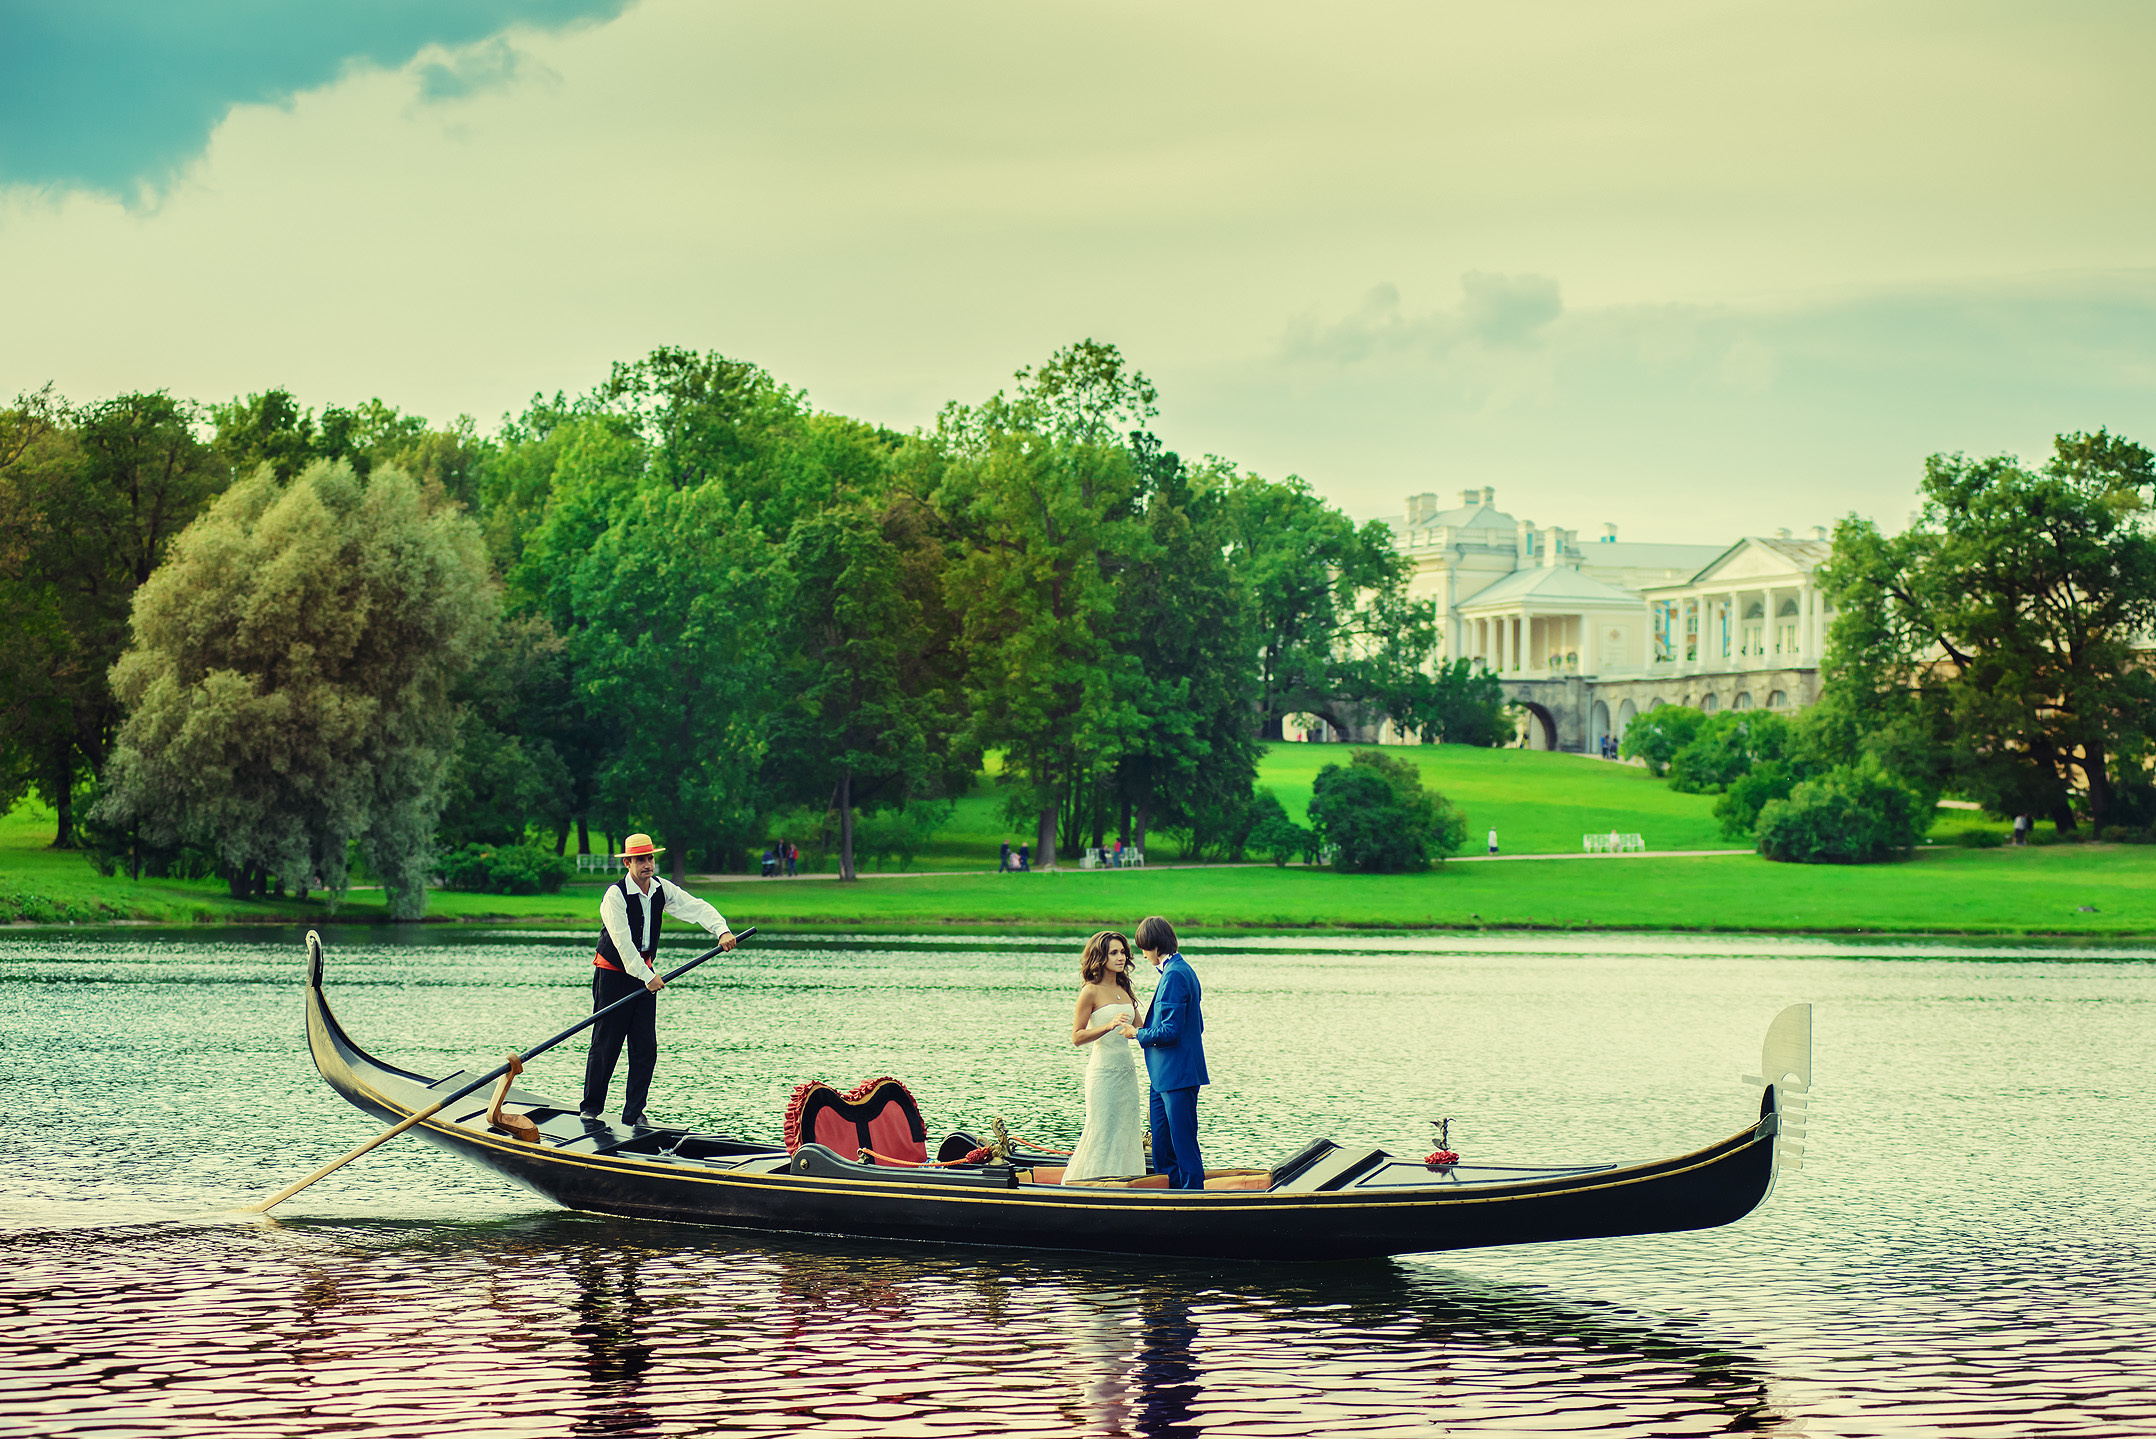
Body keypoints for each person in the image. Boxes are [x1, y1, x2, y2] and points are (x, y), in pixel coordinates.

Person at [581, 833, 736, 1126]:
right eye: (640, 859)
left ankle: (634, 1114)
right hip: (614, 976)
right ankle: (590, 1109)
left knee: (645, 1048)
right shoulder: (615, 896)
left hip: (645, 977)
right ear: (627, 863)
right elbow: (623, 945)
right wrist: (647, 976)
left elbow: (697, 907)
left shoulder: (661, 889)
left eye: (650, 858)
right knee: (606, 1044)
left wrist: (721, 930)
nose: (647, 864)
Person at [1116, 915, 1207, 1189]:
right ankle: (1172, 1192)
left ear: (1156, 946)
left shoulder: (1176, 974)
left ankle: (1193, 1197)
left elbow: (1170, 1031)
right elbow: (1197, 1025)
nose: (1143, 955)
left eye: (1144, 948)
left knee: (1183, 1143)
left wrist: (1137, 1033)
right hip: (1164, 1076)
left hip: (1177, 1075)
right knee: (1162, 1144)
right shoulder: (1179, 970)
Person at [1063, 930, 1146, 1182]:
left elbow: (1142, 1029)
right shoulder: (1090, 991)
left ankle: (1126, 1183)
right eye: (1114, 953)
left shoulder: (1124, 988)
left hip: (1127, 1071)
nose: (1121, 957)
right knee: (1102, 1128)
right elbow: (1077, 1037)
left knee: (1127, 1128)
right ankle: (1087, 1183)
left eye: (1123, 952)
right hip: (1103, 1072)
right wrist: (1108, 1026)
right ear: (1100, 957)